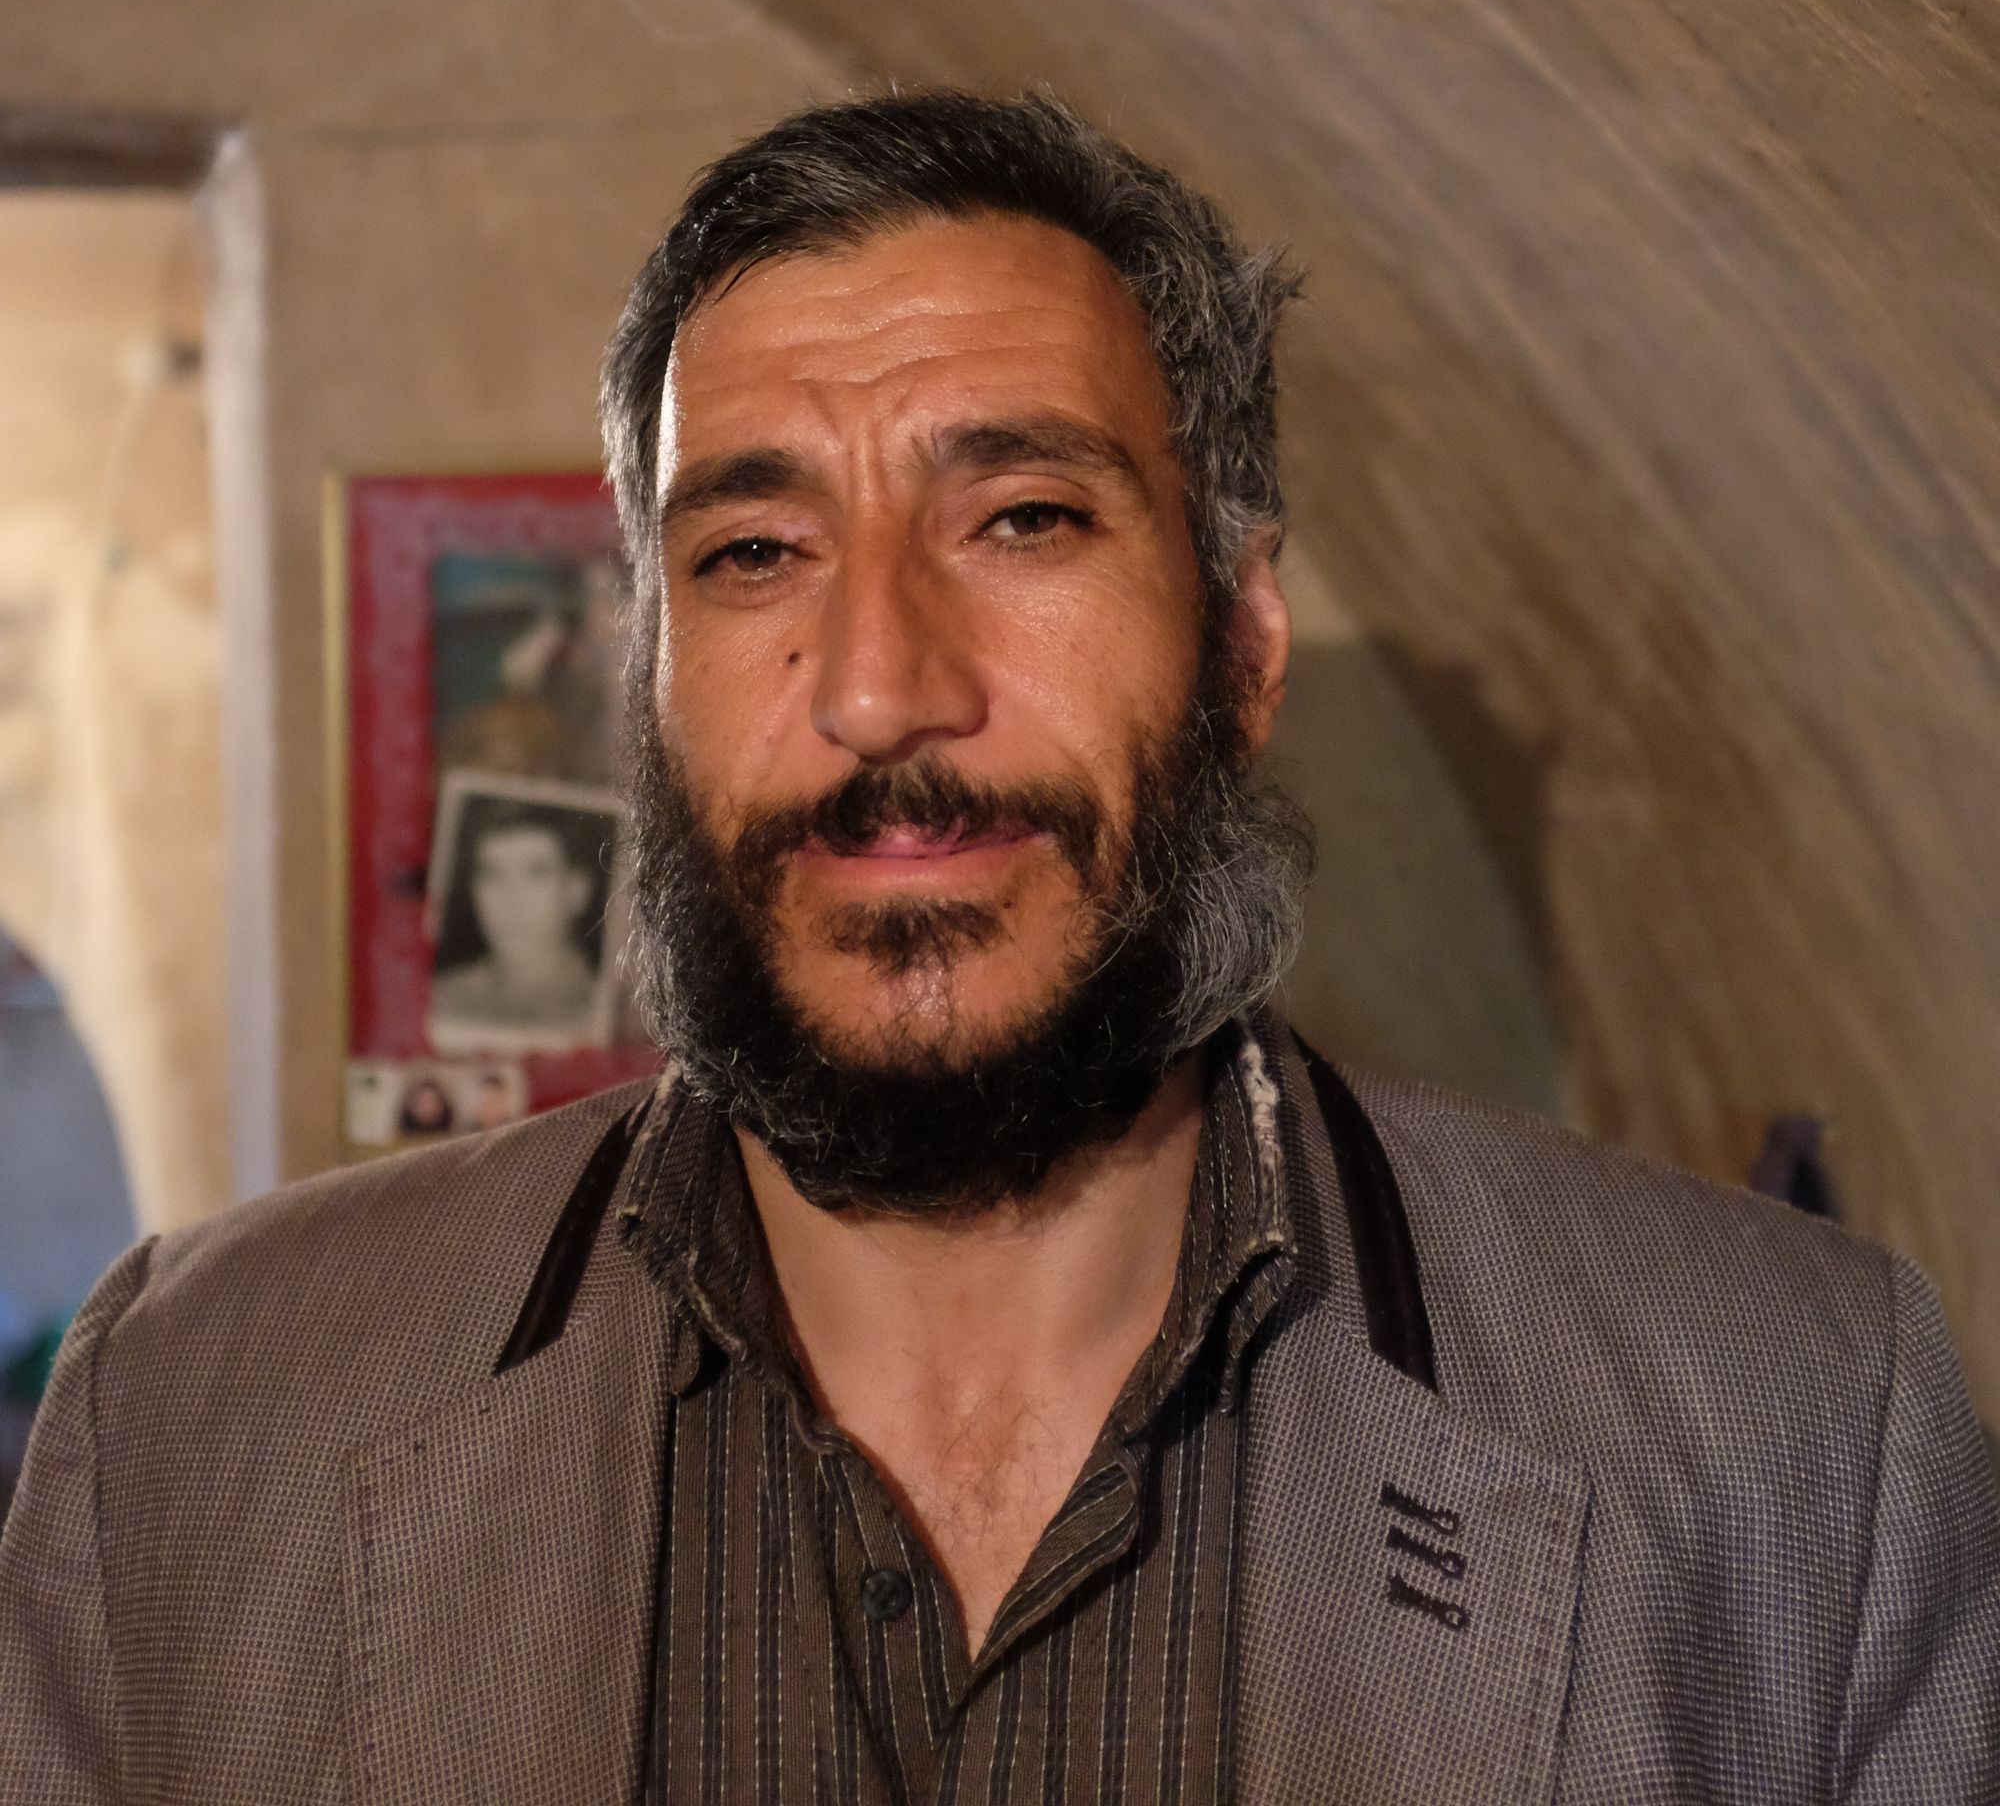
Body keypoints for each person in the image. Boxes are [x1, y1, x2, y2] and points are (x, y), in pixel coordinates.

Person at [1, 92, 1995, 1805]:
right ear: (651, 673)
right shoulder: (190, 1430)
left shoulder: (1796, 1437)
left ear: (1240, 642)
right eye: (754, 556)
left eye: (1022, 520)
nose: (878, 689)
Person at [428, 804, 604, 1046]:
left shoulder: (609, 1013)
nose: (511, 899)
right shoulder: (439, 998)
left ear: (577, 891)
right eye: (492, 874)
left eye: (536, 873)